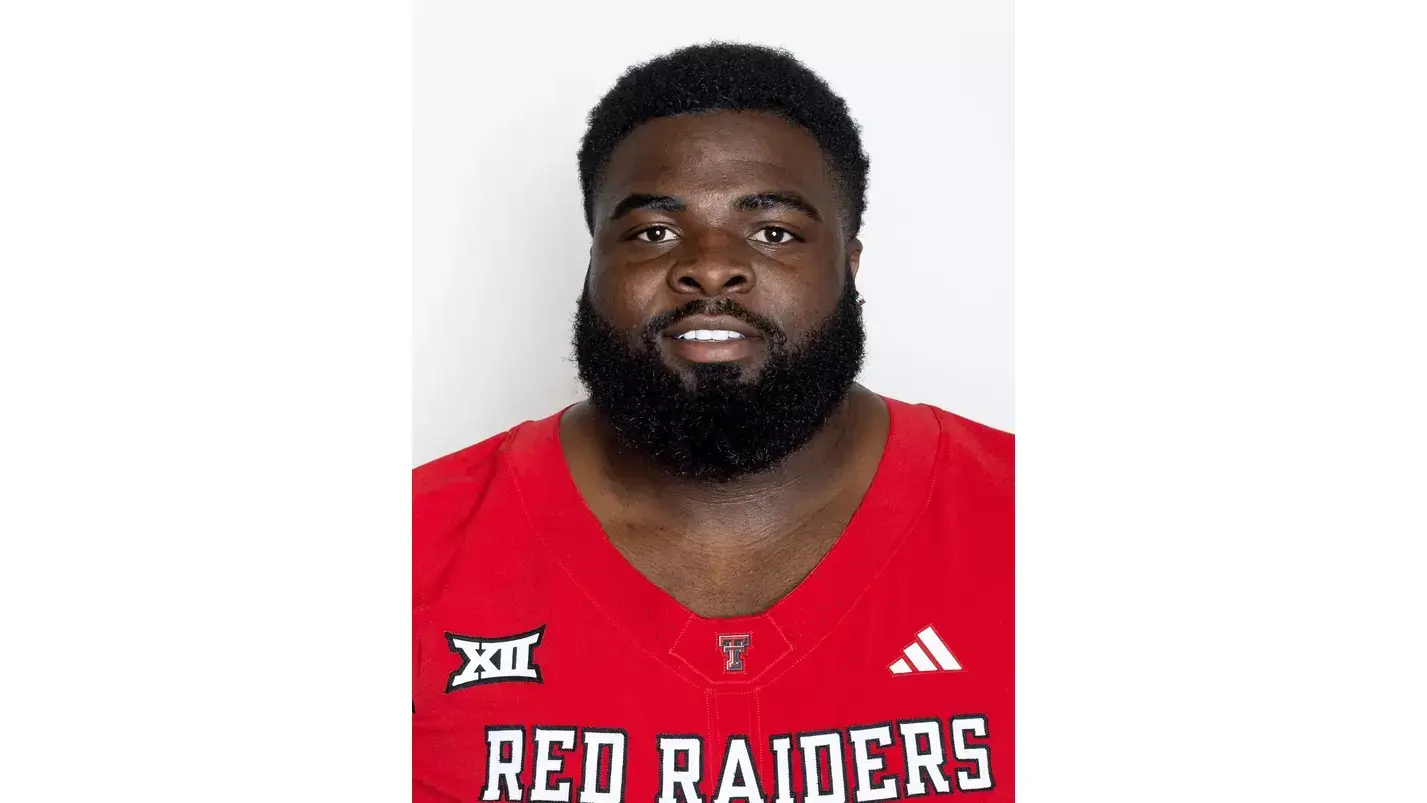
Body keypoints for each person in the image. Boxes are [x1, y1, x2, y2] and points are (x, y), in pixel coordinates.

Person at [414, 42, 1013, 801]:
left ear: (849, 264)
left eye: (773, 232)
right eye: (653, 232)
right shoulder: (415, 548)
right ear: (593, 263)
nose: (709, 266)